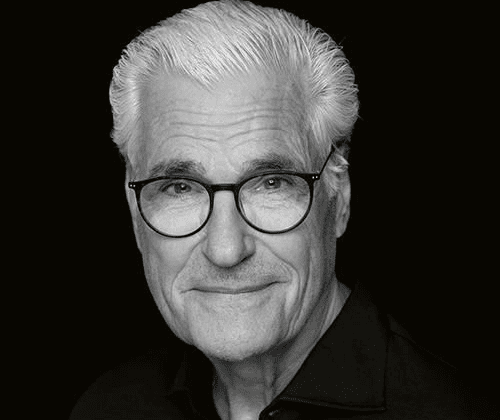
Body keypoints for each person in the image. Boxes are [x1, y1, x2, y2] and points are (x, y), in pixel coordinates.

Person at [70, 1, 497, 419]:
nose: (225, 250)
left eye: (271, 183)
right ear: (134, 210)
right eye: (181, 188)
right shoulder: (110, 407)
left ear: (339, 195)